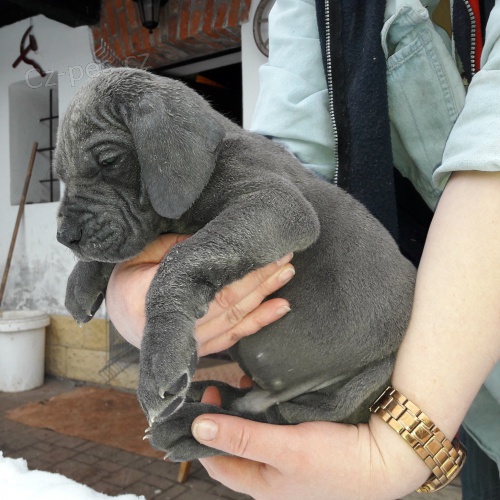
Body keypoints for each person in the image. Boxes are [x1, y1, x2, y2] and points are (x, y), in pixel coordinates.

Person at [106, 0, 500, 498]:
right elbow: (289, 167)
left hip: (435, 398)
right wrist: (132, 298)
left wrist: (399, 447)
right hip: (471, 404)